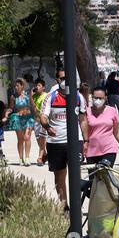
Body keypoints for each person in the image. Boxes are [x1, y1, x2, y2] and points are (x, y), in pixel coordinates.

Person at [40, 70, 88, 214]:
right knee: (59, 175)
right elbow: (43, 116)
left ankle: (76, 205)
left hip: (75, 141)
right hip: (56, 143)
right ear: (57, 80)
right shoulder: (51, 97)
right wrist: (47, 127)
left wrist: (86, 140)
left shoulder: (79, 97)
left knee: (75, 173)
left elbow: (83, 119)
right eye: (62, 78)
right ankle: (64, 206)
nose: (66, 81)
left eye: (68, 78)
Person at [85, 87, 119, 166]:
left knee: (105, 174)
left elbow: (116, 132)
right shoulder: (86, 112)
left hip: (109, 149)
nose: (98, 100)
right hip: (91, 151)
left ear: (105, 98)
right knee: (94, 177)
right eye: (95, 98)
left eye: (100, 98)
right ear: (92, 98)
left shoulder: (112, 111)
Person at [6, 78, 35, 166]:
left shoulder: (28, 95)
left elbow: (33, 106)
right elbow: (11, 108)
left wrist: (38, 115)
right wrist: (7, 112)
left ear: (22, 86)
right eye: (15, 86)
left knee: (27, 137)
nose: (16, 87)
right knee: (20, 139)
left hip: (28, 118)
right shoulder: (13, 96)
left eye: (18, 85)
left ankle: (27, 158)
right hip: (18, 118)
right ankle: (20, 158)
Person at [30, 78, 48, 166]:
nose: (37, 87)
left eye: (39, 85)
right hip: (36, 120)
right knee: (38, 140)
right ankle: (44, 154)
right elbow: (33, 108)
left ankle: (40, 158)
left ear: (43, 87)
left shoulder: (46, 96)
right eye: (36, 85)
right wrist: (31, 96)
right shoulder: (34, 96)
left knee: (42, 139)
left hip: (43, 120)